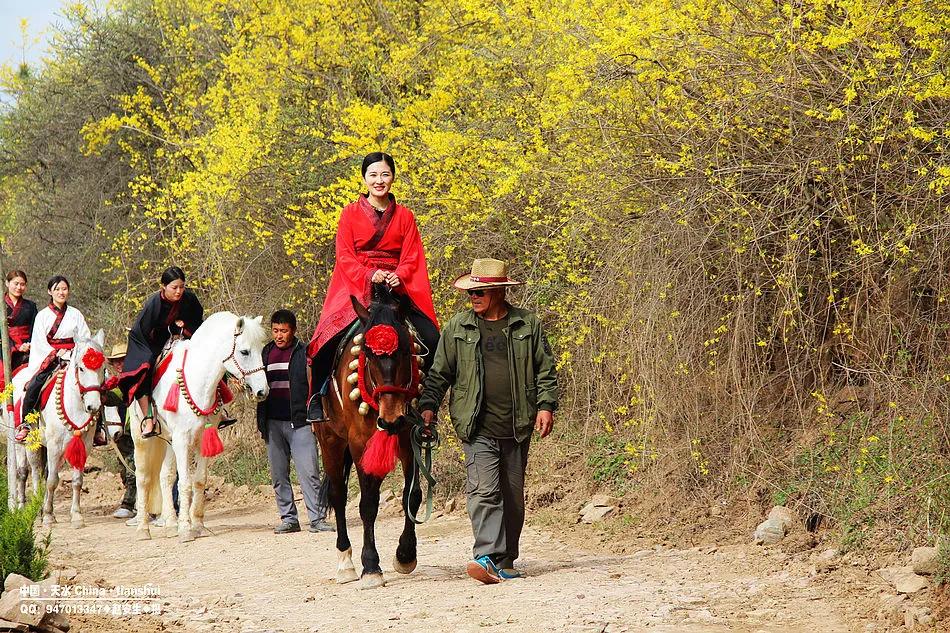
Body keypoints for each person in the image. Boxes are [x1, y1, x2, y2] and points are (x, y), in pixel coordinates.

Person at [418, 258, 558, 584]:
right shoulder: (458, 327)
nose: (474, 297)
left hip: (517, 424)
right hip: (476, 425)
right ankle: (486, 556)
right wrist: (428, 406)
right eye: (471, 293)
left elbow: (545, 371)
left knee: (512, 497)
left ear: (497, 291)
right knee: (484, 491)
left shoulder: (527, 324)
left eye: (480, 291)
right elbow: (440, 374)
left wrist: (545, 406)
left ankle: (506, 558)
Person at [306, 152, 440, 423]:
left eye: (385, 174)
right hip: (357, 286)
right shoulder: (350, 214)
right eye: (374, 175)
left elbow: (412, 254)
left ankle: (428, 402)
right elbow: (344, 256)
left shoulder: (405, 216)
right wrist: (369, 274)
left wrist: (399, 275)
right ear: (365, 178)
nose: (380, 181)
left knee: (433, 338)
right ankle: (317, 399)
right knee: (326, 341)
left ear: (393, 177)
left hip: (395, 287)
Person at [258, 310, 333, 534]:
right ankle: (289, 518)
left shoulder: (304, 353)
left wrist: (315, 416)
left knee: (309, 472)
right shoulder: (265, 353)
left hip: (300, 422)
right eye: (275, 330)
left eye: (284, 331)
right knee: (279, 475)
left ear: (293, 331)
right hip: (272, 423)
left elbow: (315, 384)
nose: (279, 335)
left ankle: (317, 518)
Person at [119, 266, 203, 438]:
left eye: (182, 286)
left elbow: (198, 320)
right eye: (174, 287)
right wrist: (167, 329)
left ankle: (217, 409)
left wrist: (185, 326)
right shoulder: (153, 304)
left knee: (208, 359)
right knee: (144, 368)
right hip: (151, 342)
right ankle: (149, 418)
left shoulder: (189, 299)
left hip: (185, 337)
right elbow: (141, 332)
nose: (179, 291)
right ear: (163, 286)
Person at [16, 275, 92, 442]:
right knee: (34, 385)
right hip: (51, 359)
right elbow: (39, 342)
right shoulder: (42, 316)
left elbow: (85, 338)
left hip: (74, 357)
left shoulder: (76, 314)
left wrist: (74, 354)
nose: (61, 292)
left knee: (96, 384)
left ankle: (99, 427)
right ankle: (27, 423)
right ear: (50, 291)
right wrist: (56, 354)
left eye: (64, 289)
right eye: (57, 289)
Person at [102, 342, 137, 519]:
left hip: (137, 428)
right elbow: (112, 399)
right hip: (122, 430)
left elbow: (120, 397)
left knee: (133, 464)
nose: (119, 364)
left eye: (123, 360)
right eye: (116, 361)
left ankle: (129, 503)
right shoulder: (114, 382)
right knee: (125, 467)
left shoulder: (135, 377)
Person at [2, 270, 38, 388]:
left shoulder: (31, 306)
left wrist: (30, 344)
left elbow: (35, 329)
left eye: (22, 284)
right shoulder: (1, 305)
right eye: (16, 283)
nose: (19, 287)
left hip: (27, 348)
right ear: (7, 283)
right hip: (3, 347)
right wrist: (15, 347)